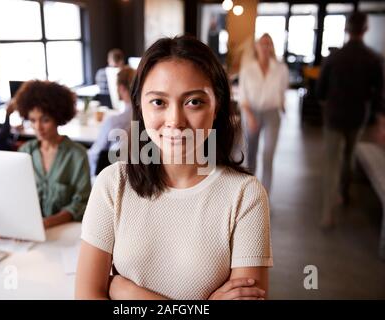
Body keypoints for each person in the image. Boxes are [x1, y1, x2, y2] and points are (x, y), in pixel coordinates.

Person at [75, 36, 272, 300]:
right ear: (140, 106)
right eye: (159, 102)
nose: (175, 121)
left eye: (194, 102)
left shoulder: (245, 195)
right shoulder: (113, 183)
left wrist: (128, 292)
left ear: (217, 107)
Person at [316, 11, 385, 229]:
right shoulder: (374, 58)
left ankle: (328, 213)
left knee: (331, 163)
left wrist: (326, 105)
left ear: (347, 29)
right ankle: (344, 193)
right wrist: (380, 122)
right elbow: (379, 94)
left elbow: (320, 90)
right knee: (349, 156)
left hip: (334, 116)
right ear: (365, 29)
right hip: (358, 118)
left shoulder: (334, 57)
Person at [14, 80, 91, 229]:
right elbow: (16, 196)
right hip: (30, 230)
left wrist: (47, 223)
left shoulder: (77, 155)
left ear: (58, 118)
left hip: (64, 232)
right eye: (32, 120)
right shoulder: (25, 153)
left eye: (45, 120)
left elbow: (81, 203)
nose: (38, 127)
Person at [238, 33, 289, 197]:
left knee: (268, 155)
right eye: (262, 44)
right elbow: (242, 96)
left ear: (272, 47)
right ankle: (251, 191)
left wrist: (283, 107)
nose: (266, 47)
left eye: (269, 44)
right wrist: (250, 116)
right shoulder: (247, 69)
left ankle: (265, 195)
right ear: (256, 47)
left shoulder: (281, 69)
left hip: (272, 114)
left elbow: (283, 91)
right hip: (251, 112)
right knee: (251, 155)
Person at [88, 66, 135, 178]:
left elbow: (95, 154)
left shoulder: (114, 122)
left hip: (108, 177)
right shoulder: (148, 118)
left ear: (121, 88)